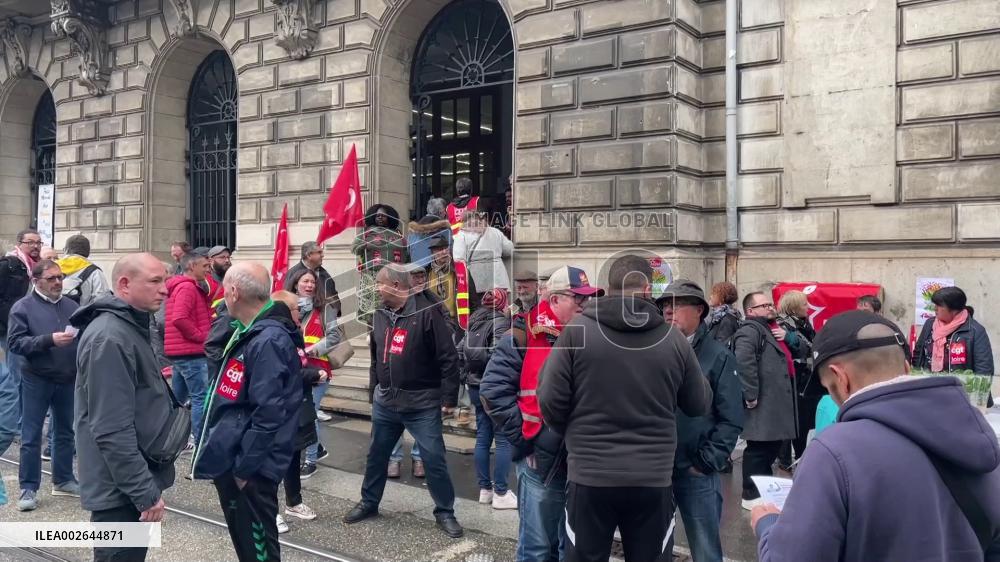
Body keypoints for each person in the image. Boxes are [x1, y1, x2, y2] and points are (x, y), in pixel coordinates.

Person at [751, 310, 1000, 560]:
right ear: (906, 367)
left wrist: (767, 525)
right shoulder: (974, 431)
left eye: (830, 388)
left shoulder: (833, 451)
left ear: (841, 377)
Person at [538, 257, 711, 562]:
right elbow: (699, 404)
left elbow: (550, 401)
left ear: (605, 289)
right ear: (647, 289)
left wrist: (575, 433)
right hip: (652, 478)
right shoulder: (674, 341)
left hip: (590, 475)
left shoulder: (576, 332)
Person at [479, 265, 603, 562]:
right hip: (540, 462)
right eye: (579, 299)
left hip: (581, 461)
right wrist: (524, 440)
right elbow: (493, 391)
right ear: (556, 299)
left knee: (569, 547)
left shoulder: (591, 335)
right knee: (536, 549)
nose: (586, 305)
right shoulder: (522, 334)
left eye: (589, 299)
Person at [344, 263, 463, 539]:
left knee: (434, 458)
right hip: (386, 402)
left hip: (421, 403)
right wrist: (374, 388)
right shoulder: (380, 315)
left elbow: (448, 357)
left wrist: (449, 397)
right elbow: (376, 355)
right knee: (376, 456)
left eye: (380, 284)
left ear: (396, 286)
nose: (376, 289)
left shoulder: (427, 313)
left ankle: (445, 512)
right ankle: (369, 503)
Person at [193, 262, 302, 562]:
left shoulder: (267, 340)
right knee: (247, 545)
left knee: (259, 550)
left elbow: (268, 413)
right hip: (239, 458)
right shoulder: (248, 331)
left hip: (251, 468)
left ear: (233, 292)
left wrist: (244, 469)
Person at [72, 253, 177, 562]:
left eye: (165, 280)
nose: (165, 289)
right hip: (118, 490)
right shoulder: (110, 337)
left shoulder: (129, 326)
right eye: (155, 281)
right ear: (124, 284)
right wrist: (144, 493)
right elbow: (109, 427)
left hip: (128, 480)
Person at [657, 280, 743, 562]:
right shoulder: (651, 352)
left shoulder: (718, 356)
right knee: (654, 547)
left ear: (699, 311)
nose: (669, 312)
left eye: (677, 305)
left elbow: (731, 418)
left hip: (696, 471)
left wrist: (706, 461)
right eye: (665, 306)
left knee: (705, 549)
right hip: (654, 471)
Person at [7, 259, 81, 511]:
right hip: (36, 378)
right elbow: (16, 343)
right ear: (36, 281)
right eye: (52, 279)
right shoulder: (23, 307)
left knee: (65, 431)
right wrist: (48, 340)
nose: (58, 283)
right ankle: (28, 486)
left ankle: (63, 479)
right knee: (31, 435)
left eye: (60, 277)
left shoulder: (71, 305)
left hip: (67, 377)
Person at [734, 292, 799, 510]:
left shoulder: (772, 328)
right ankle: (750, 495)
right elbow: (744, 362)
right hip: (762, 400)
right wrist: (750, 394)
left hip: (775, 400)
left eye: (770, 304)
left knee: (770, 447)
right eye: (764, 305)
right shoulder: (750, 331)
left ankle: (762, 491)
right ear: (751, 311)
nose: (770, 307)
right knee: (759, 448)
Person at [270, 290, 325, 533]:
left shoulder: (292, 332)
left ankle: (294, 502)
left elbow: (298, 362)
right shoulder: (273, 334)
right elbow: (283, 372)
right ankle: (269, 512)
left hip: (297, 404)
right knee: (272, 462)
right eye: (295, 308)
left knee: (293, 455)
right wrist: (312, 374)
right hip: (278, 408)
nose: (300, 311)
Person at [460, 288, 515, 510]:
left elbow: (460, 351)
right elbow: (499, 356)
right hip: (494, 387)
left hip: (474, 386)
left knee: (483, 436)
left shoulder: (474, 320)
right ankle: (501, 492)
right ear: (502, 302)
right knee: (502, 439)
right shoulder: (500, 321)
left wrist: (467, 378)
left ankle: (485, 490)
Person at [286, 267, 341, 476]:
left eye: (312, 282)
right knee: (299, 411)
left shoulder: (325, 307)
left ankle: (310, 460)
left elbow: (334, 337)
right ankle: (315, 447)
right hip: (295, 368)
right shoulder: (287, 306)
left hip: (318, 369)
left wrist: (309, 349)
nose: (309, 285)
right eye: (305, 281)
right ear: (295, 283)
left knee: (310, 414)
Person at [163, 252, 212, 450]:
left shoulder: (183, 287)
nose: (208, 269)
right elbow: (180, 318)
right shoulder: (187, 288)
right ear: (192, 266)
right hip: (191, 352)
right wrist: (201, 337)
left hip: (182, 352)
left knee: (178, 400)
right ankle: (202, 444)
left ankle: (174, 440)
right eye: (205, 266)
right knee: (200, 398)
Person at [775, 290, 820, 470]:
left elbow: (814, 346)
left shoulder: (804, 324)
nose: (808, 307)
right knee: (793, 424)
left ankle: (802, 459)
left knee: (806, 423)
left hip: (807, 380)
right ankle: (785, 463)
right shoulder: (783, 326)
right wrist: (790, 338)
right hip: (792, 381)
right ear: (793, 307)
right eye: (804, 304)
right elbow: (801, 350)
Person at [913, 286, 993, 377]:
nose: (935, 308)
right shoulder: (929, 324)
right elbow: (918, 354)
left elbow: (984, 369)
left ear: (953, 310)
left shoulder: (975, 331)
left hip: (959, 389)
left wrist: (972, 390)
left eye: (939, 305)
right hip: (929, 387)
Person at [352, 204, 408, 328]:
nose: (380, 218)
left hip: (394, 278)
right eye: (377, 216)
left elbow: (407, 253)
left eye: (383, 216)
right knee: (373, 312)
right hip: (372, 277)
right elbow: (354, 248)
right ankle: (372, 338)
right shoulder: (366, 233)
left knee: (392, 309)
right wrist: (364, 245)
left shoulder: (398, 234)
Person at [453, 209, 514, 310]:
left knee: (482, 312)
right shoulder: (494, 231)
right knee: (502, 310)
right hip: (499, 279)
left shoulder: (462, 235)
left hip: (478, 280)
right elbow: (509, 249)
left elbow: (458, 258)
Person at [285, 240, 341, 316]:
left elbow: (334, 296)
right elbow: (286, 300)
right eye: (319, 252)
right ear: (309, 255)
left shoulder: (325, 274)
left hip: (325, 321)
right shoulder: (292, 273)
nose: (323, 255)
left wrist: (335, 310)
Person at [58, 234, 110, 306]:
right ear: (88, 252)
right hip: (80, 315)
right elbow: (103, 300)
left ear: (66, 250)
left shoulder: (52, 267)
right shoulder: (95, 272)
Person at [408, 197, 452, 268]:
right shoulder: (445, 230)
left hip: (416, 272)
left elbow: (409, 253)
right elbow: (450, 252)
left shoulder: (413, 231)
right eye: (445, 211)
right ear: (441, 212)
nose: (446, 214)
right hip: (435, 272)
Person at [426, 236, 458, 324]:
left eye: (446, 248)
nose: (444, 252)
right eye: (440, 249)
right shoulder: (427, 272)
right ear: (432, 253)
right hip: (435, 321)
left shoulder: (458, 269)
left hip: (456, 320)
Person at [205, 245, 232, 313]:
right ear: (210, 260)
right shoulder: (205, 281)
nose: (227, 260)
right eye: (222, 257)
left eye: (228, 257)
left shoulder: (233, 279)